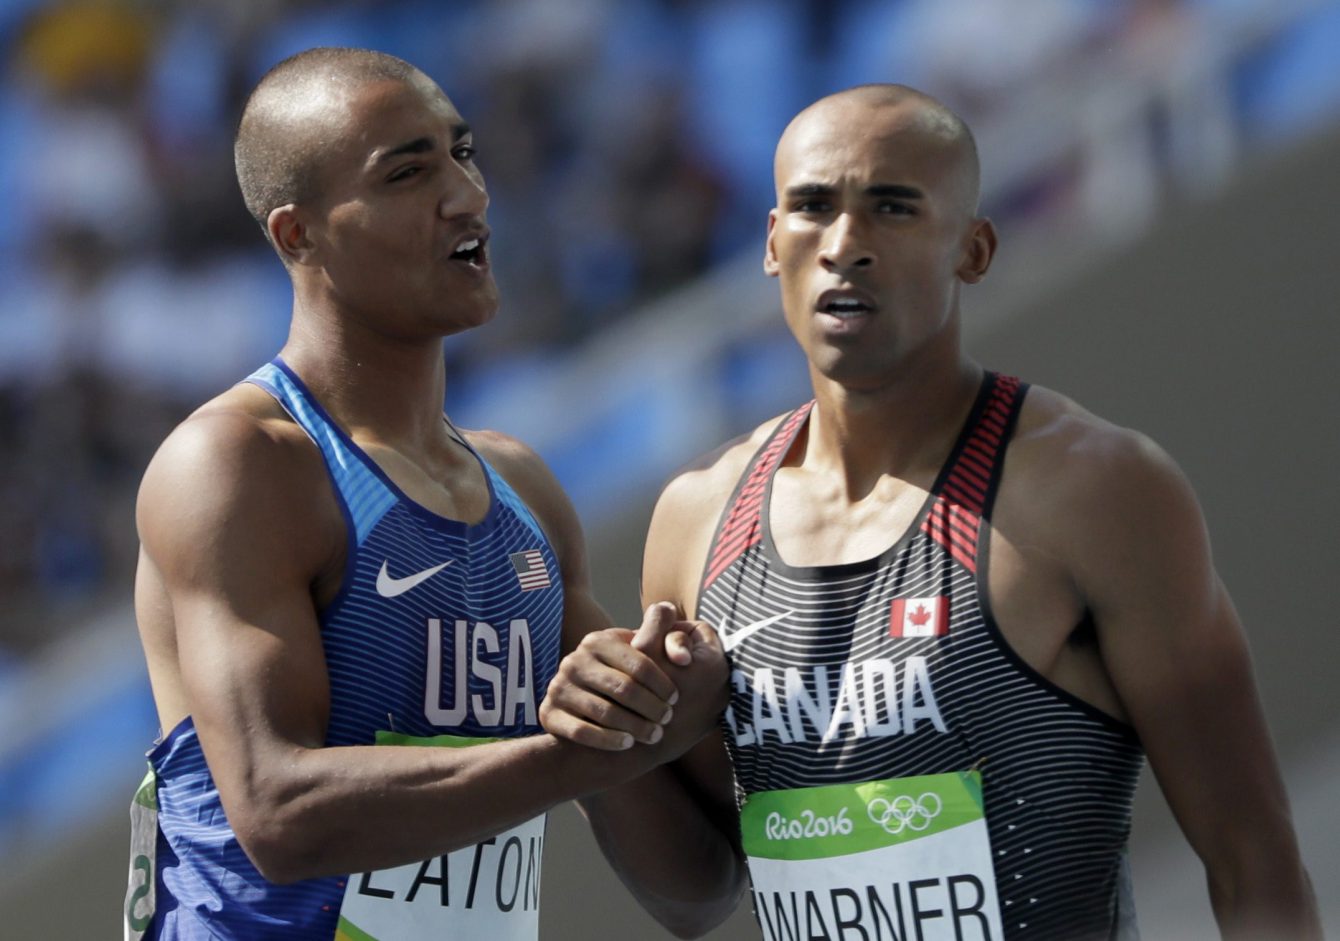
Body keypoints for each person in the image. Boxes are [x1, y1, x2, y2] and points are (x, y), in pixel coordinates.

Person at [539, 84, 1321, 940]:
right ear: (770, 243)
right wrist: (603, 744)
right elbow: (699, 896)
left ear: (973, 250)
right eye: (813, 207)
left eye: (893, 208)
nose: (845, 245)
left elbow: (1253, 856)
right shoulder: (697, 519)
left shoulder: (1092, 489)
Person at [123, 46, 726, 941]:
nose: (467, 195)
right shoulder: (239, 463)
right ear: (297, 235)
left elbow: (696, 895)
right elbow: (278, 813)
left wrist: (658, 712)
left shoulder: (521, 491)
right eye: (407, 173)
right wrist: (573, 756)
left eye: (463, 153)